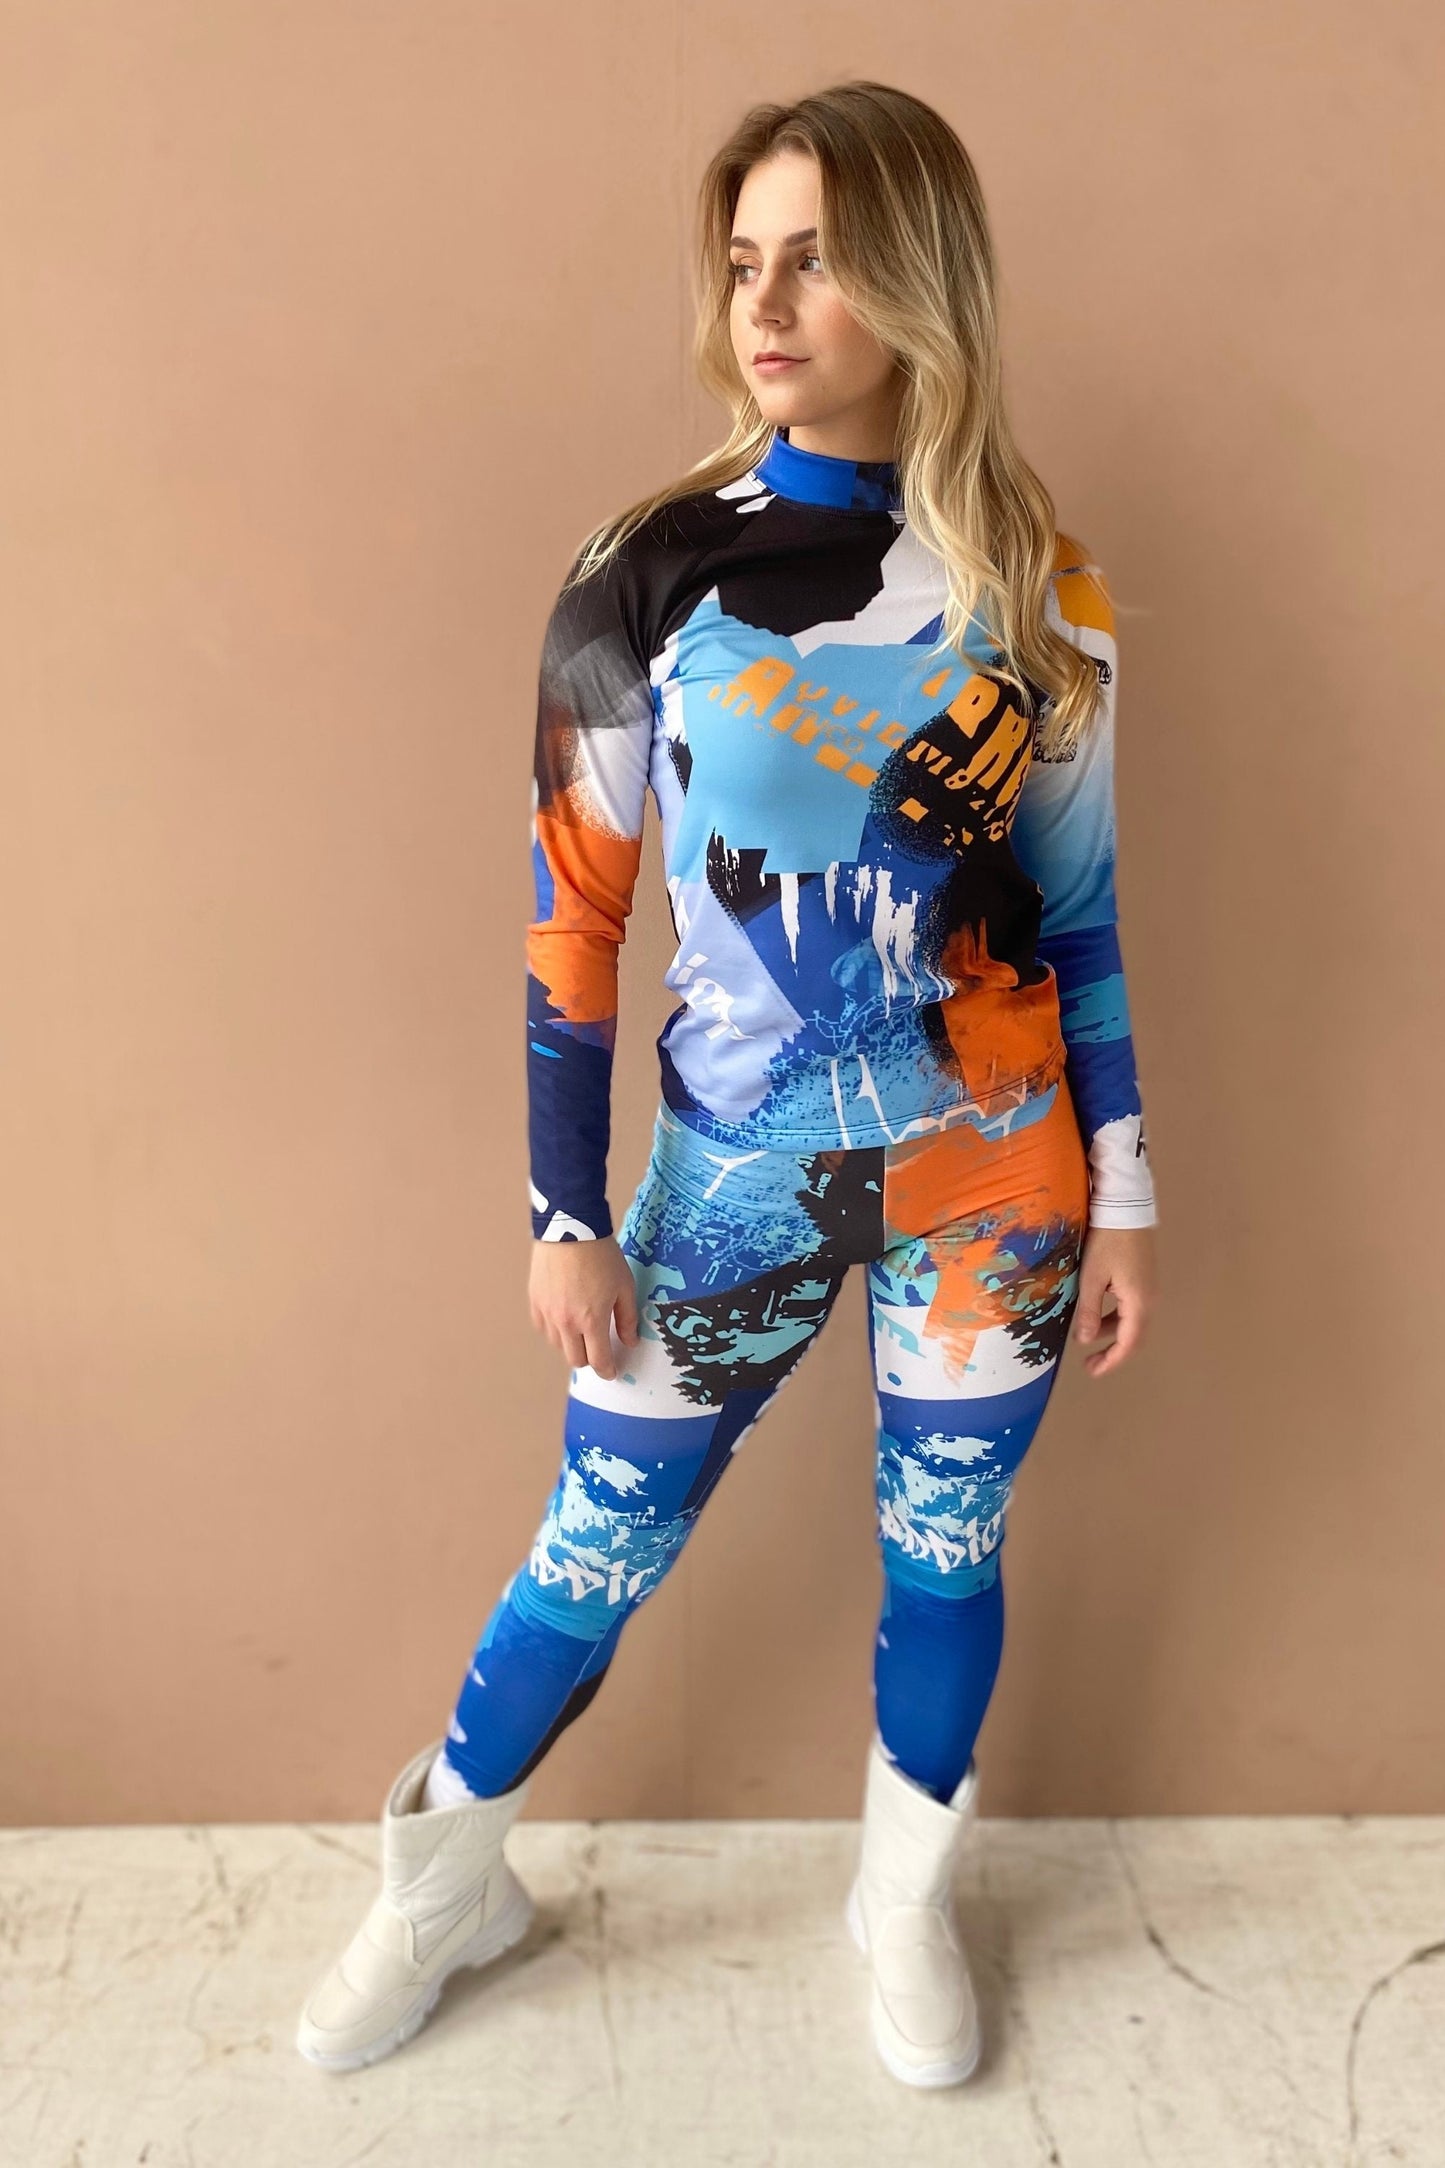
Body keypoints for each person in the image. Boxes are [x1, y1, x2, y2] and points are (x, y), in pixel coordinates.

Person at [296, 78, 1159, 2088]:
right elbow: (571, 922)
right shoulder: (647, 573)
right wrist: (562, 1214)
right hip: (734, 1174)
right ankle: (440, 1888)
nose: (761, 305)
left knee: (945, 1547)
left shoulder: (1043, 589)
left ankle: (900, 1903)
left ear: (920, 282)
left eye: (817, 260)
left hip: (998, 1167)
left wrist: (1124, 1190)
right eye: (746, 261)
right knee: (597, 1542)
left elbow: (1084, 914)